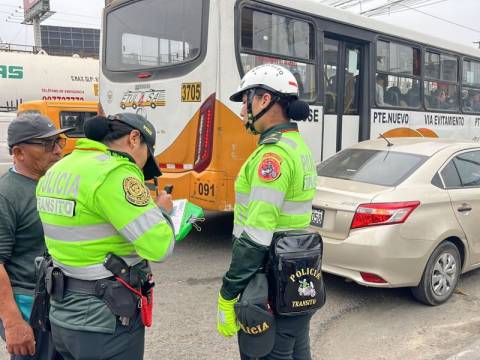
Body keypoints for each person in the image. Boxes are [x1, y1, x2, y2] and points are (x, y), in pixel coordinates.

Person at [35, 113, 175, 360]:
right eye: (146, 156)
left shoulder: (58, 169)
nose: (141, 168)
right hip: (104, 322)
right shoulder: (114, 173)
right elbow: (160, 247)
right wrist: (162, 211)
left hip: (62, 315)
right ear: (134, 138)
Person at [216, 64, 317, 359]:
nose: (242, 111)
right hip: (297, 277)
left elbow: (257, 234)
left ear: (264, 100)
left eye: (246, 100)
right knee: (298, 349)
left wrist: (228, 292)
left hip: (270, 280)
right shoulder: (297, 146)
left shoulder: (272, 156)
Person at [0, 114, 70, 359]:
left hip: (59, 305)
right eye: (48, 144)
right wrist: (12, 323)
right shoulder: (6, 194)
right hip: (29, 309)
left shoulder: (54, 184)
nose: (59, 150)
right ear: (19, 153)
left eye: (59, 141)